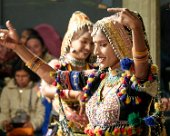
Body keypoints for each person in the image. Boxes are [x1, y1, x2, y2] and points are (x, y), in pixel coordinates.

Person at [0, 7, 165, 136]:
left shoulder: (136, 80)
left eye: (102, 45)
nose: (95, 52)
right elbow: (53, 78)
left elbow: (141, 62)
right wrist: (18, 48)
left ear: (120, 43)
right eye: (94, 44)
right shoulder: (98, 78)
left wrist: (135, 28)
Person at [0, 60, 45, 136]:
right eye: (17, 76)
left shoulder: (37, 89)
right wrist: (4, 123)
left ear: (30, 75)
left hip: (32, 131)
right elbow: (3, 112)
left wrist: (32, 124)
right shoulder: (7, 90)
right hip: (11, 129)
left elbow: (41, 113)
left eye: (24, 76)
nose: (21, 79)